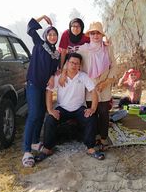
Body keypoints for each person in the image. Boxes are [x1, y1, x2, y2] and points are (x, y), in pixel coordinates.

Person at [38, 52, 105, 161]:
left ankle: (90, 148)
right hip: (62, 108)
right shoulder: (59, 76)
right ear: (67, 63)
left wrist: (92, 108)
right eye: (71, 63)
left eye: (77, 63)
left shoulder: (82, 76)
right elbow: (49, 91)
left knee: (91, 117)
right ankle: (47, 148)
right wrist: (50, 109)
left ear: (80, 65)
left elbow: (93, 92)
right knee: (50, 119)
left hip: (79, 108)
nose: (74, 65)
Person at [22, 15, 60, 168]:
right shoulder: (39, 44)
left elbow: (52, 69)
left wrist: (52, 75)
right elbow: (30, 27)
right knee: (33, 115)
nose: (52, 36)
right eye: (50, 34)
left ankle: (35, 142)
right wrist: (43, 18)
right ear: (46, 36)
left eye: (54, 34)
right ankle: (26, 150)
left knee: (41, 114)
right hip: (34, 84)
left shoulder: (56, 54)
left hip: (45, 88)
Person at [78, 21, 117, 151]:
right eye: (93, 33)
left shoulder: (108, 48)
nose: (95, 36)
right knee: (92, 113)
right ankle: (94, 137)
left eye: (98, 33)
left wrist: (106, 82)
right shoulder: (83, 49)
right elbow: (79, 68)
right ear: (89, 35)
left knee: (104, 112)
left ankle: (104, 138)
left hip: (104, 85)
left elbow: (114, 66)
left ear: (102, 35)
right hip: (90, 88)